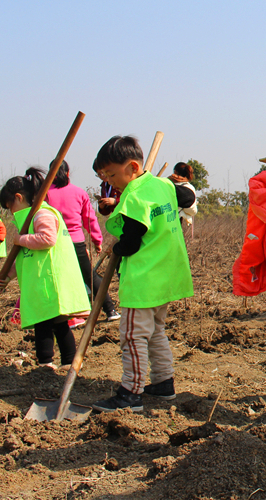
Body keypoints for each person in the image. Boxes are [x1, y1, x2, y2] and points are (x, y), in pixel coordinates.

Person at [91, 136, 196, 412]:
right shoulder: (162, 184)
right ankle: (163, 383)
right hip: (166, 275)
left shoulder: (137, 195)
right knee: (156, 331)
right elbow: (186, 196)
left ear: (133, 167)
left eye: (112, 174)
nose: (110, 180)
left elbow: (132, 241)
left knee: (132, 335)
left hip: (144, 280)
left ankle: (131, 392)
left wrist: (118, 248)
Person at [0, 168, 89, 369]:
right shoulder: (30, 218)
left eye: (10, 206)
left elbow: (47, 239)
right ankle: (58, 362)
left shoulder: (41, 214)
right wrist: (7, 277)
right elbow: (24, 258)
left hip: (49, 284)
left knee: (51, 324)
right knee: (49, 323)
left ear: (18, 198)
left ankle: (56, 363)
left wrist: (21, 239)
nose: (11, 212)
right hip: (40, 284)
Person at [46, 160, 121, 321]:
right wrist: (97, 240)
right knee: (89, 276)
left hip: (53, 243)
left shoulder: (44, 194)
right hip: (75, 242)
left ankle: (64, 316)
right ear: (68, 173)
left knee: (57, 278)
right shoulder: (78, 192)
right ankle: (110, 310)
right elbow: (89, 219)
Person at [167, 162, 198, 231]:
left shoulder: (166, 183)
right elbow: (192, 210)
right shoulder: (189, 187)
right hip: (176, 224)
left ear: (175, 171)